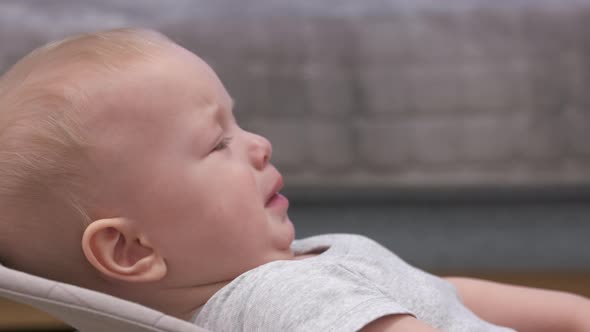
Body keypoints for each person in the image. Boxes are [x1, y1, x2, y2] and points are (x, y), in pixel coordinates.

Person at [0, 28, 588, 332]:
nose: (258, 145)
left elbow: (438, 292)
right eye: (217, 143)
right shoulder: (278, 302)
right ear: (131, 249)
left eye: (238, 123)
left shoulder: (294, 267)